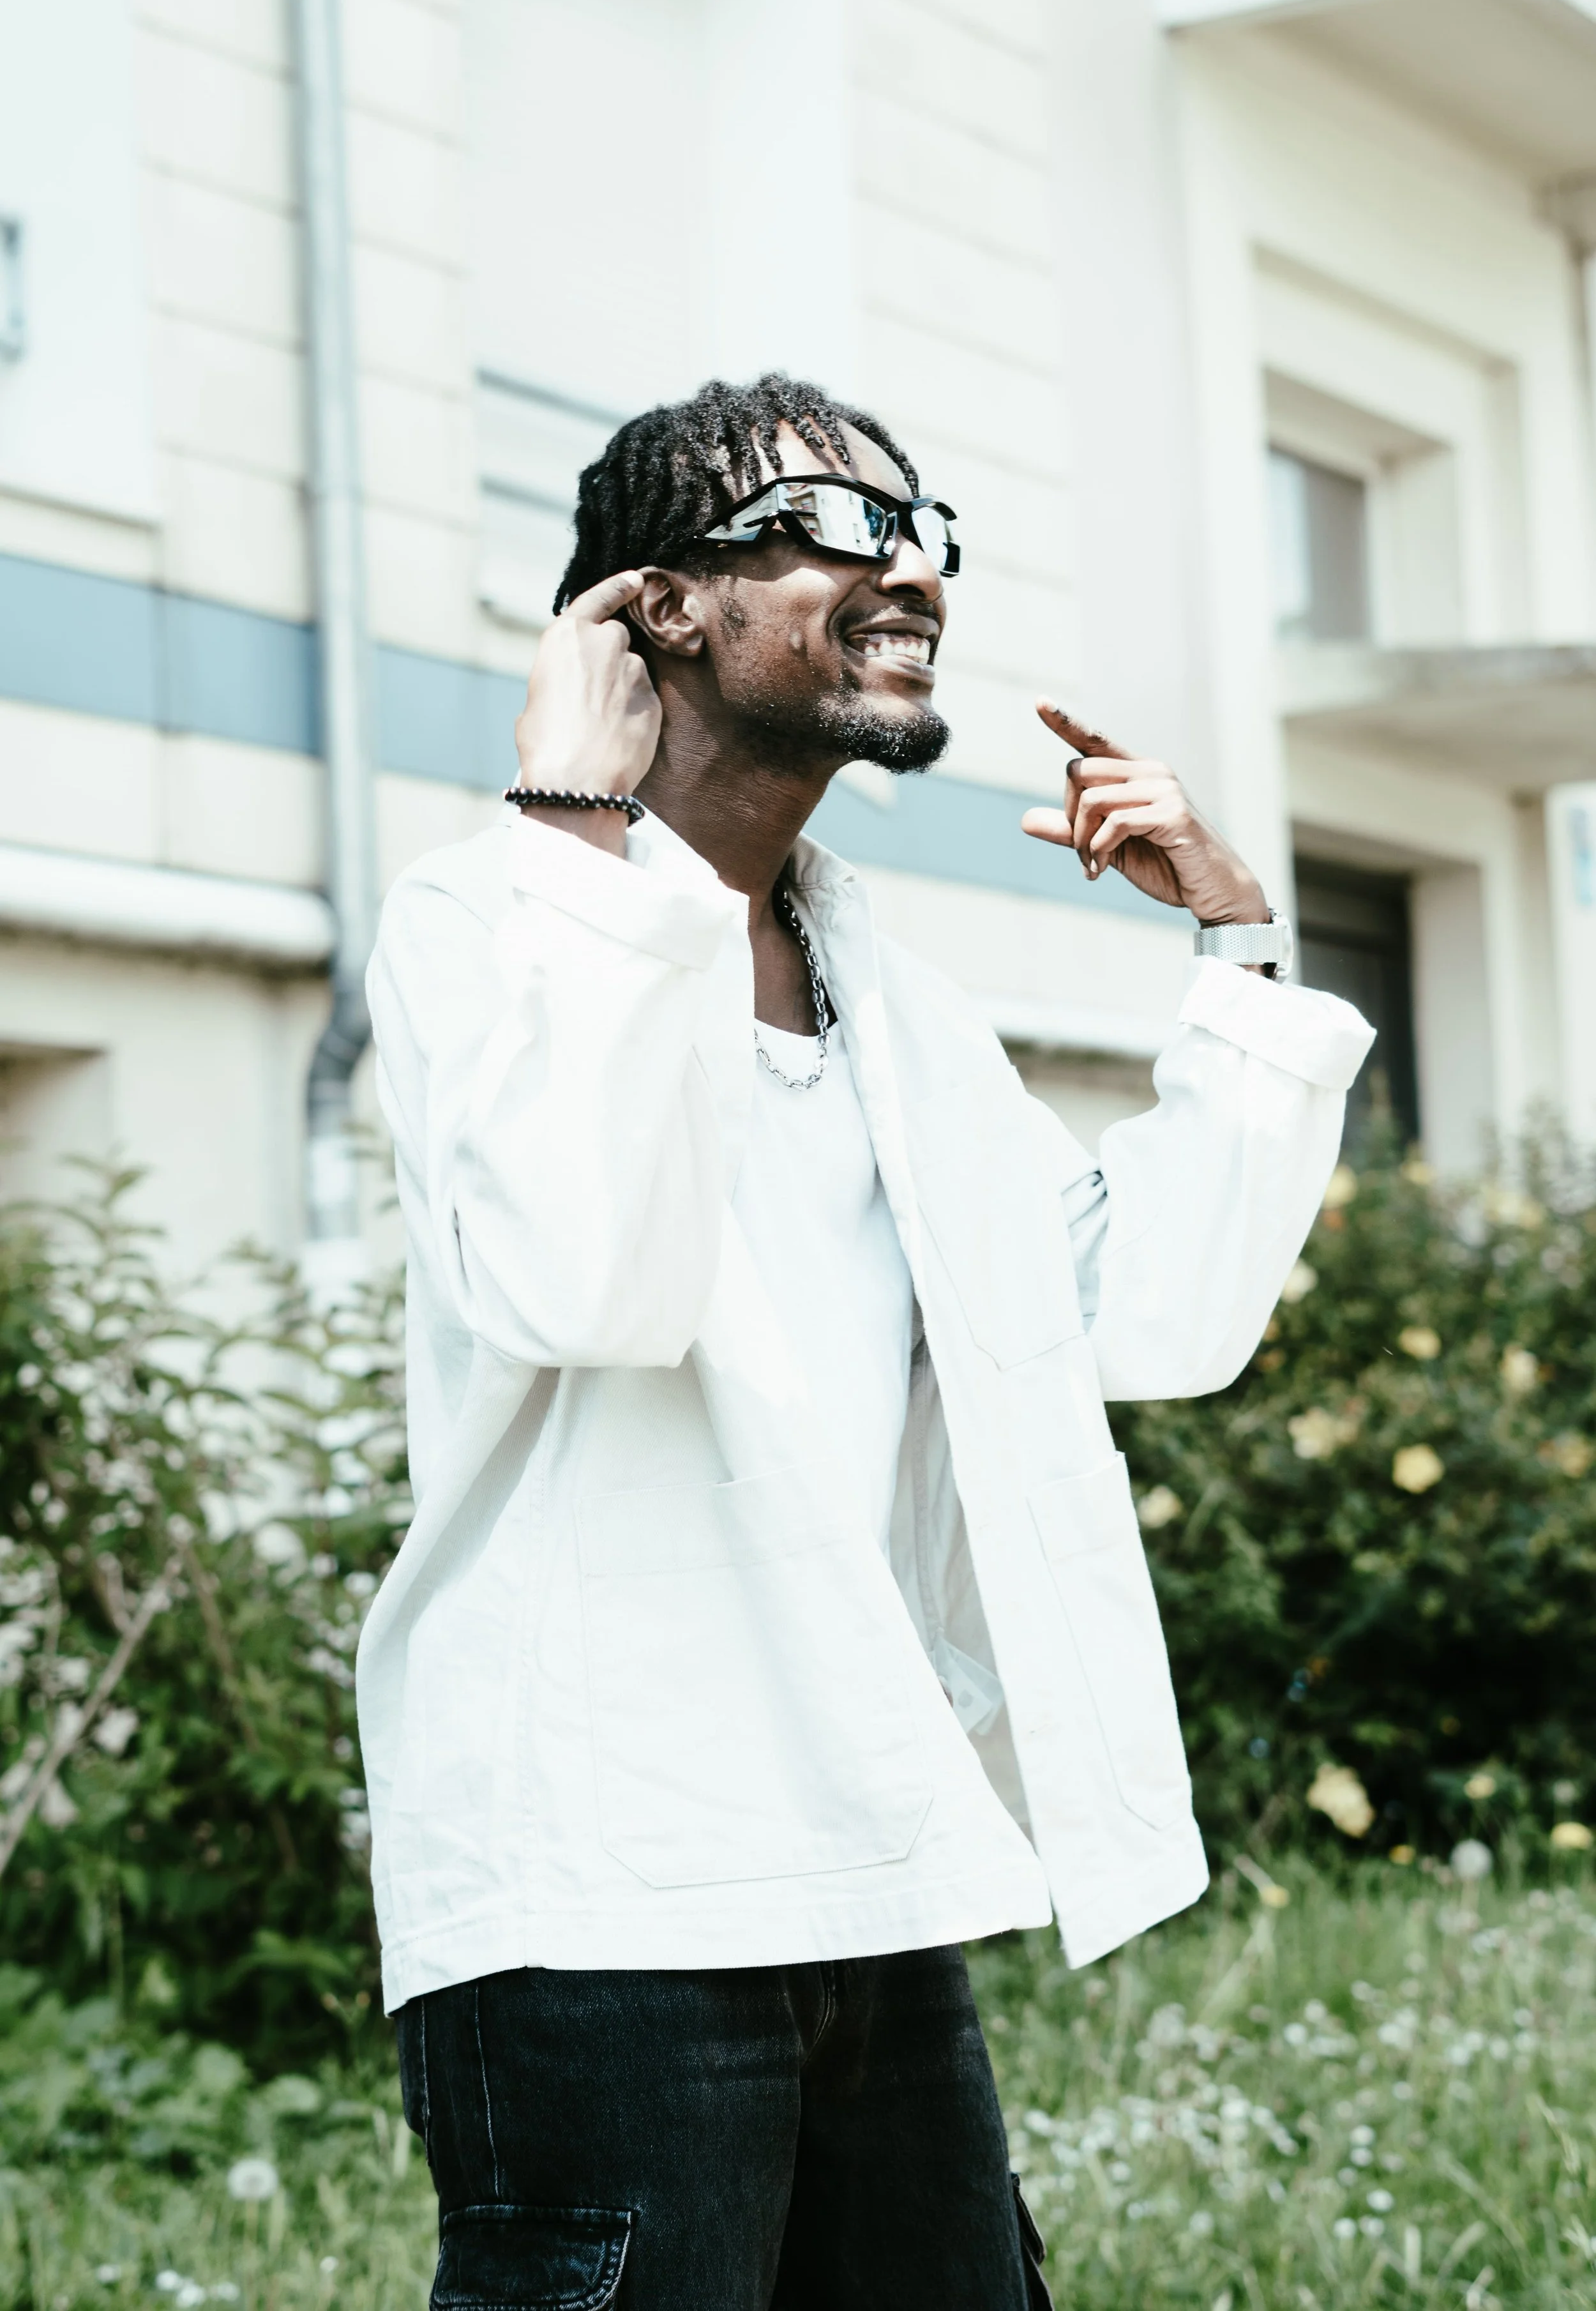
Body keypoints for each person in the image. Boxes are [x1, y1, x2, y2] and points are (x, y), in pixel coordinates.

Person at [359, 374, 1372, 2308]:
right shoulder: (486, 922)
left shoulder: (891, 1000)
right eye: (831, 519)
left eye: (921, 528)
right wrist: (575, 813)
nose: (903, 565)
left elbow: (1134, 1314)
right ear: (652, 608)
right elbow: (585, 1274)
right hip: (604, 1889)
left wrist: (1234, 944)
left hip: (876, 1859)